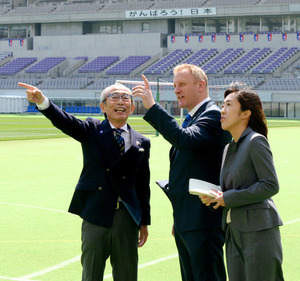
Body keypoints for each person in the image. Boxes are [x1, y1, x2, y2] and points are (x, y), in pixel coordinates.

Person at [18, 82, 151, 281]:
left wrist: (144, 222)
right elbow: (66, 121)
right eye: (114, 97)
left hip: (127, 218)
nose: (121, 101)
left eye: (126, 98)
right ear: (103, 107)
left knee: (127, 274)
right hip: (96, 214)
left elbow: (142, 185)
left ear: (132, 108)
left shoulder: (142, 141)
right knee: (91, 273)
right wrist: (43, 102)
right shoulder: (91, 129)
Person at [132, 64, 231, 281]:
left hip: (204, 221)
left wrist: (152, 106)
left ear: (200, 85)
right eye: (175, 85)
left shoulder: (213, 115)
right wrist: (181, 218)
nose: (176, 90)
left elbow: (183, 139)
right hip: (188, 218)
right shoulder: (194, 117)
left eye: (182, 84)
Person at [200, 87, 284, 281]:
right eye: (222, 105)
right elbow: (236, 187)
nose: (222, 110)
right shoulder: (228, 147)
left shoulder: (256, 141)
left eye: (229, 105)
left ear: (245, 113)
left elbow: (270, 185)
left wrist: (227, 198)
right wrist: (217, 196)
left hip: (258, 232)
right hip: (233, 231)